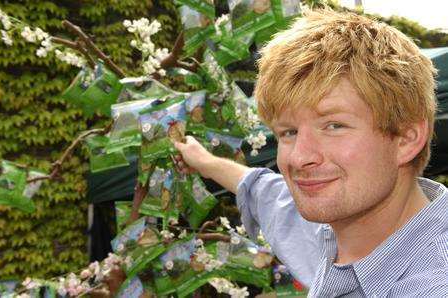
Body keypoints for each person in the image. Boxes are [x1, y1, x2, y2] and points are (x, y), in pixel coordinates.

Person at [175, 9, 448, 297]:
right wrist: (205, 161)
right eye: (288, 132)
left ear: (406, 139)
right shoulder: (333, 230)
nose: (298, 158)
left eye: (334, 125)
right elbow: (269, 195)